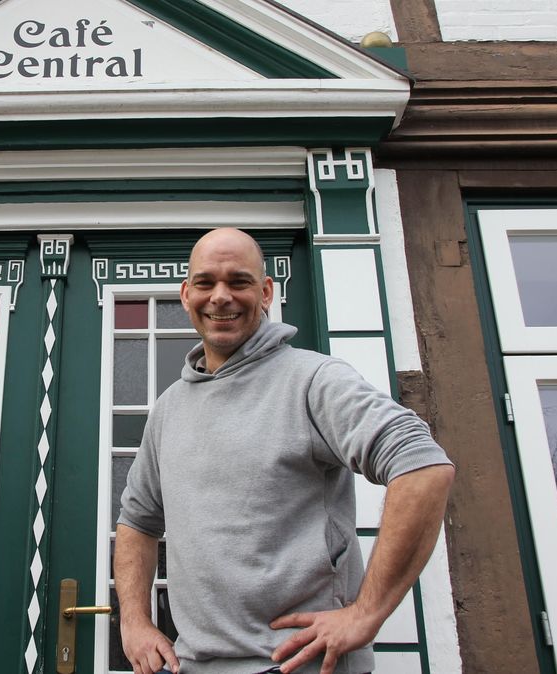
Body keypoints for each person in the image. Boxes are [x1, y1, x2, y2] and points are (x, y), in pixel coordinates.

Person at [115, 228, 455, 674]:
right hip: (193, 665)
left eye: (238, 281)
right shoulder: (169, 407)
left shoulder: (314, 380)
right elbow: (137, 521)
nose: (220, 297)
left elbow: (422, 466)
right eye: (205, 283)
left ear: (266, 291)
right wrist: (135, 622)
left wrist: (367, 613)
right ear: (185, 294)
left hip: (299, 665)